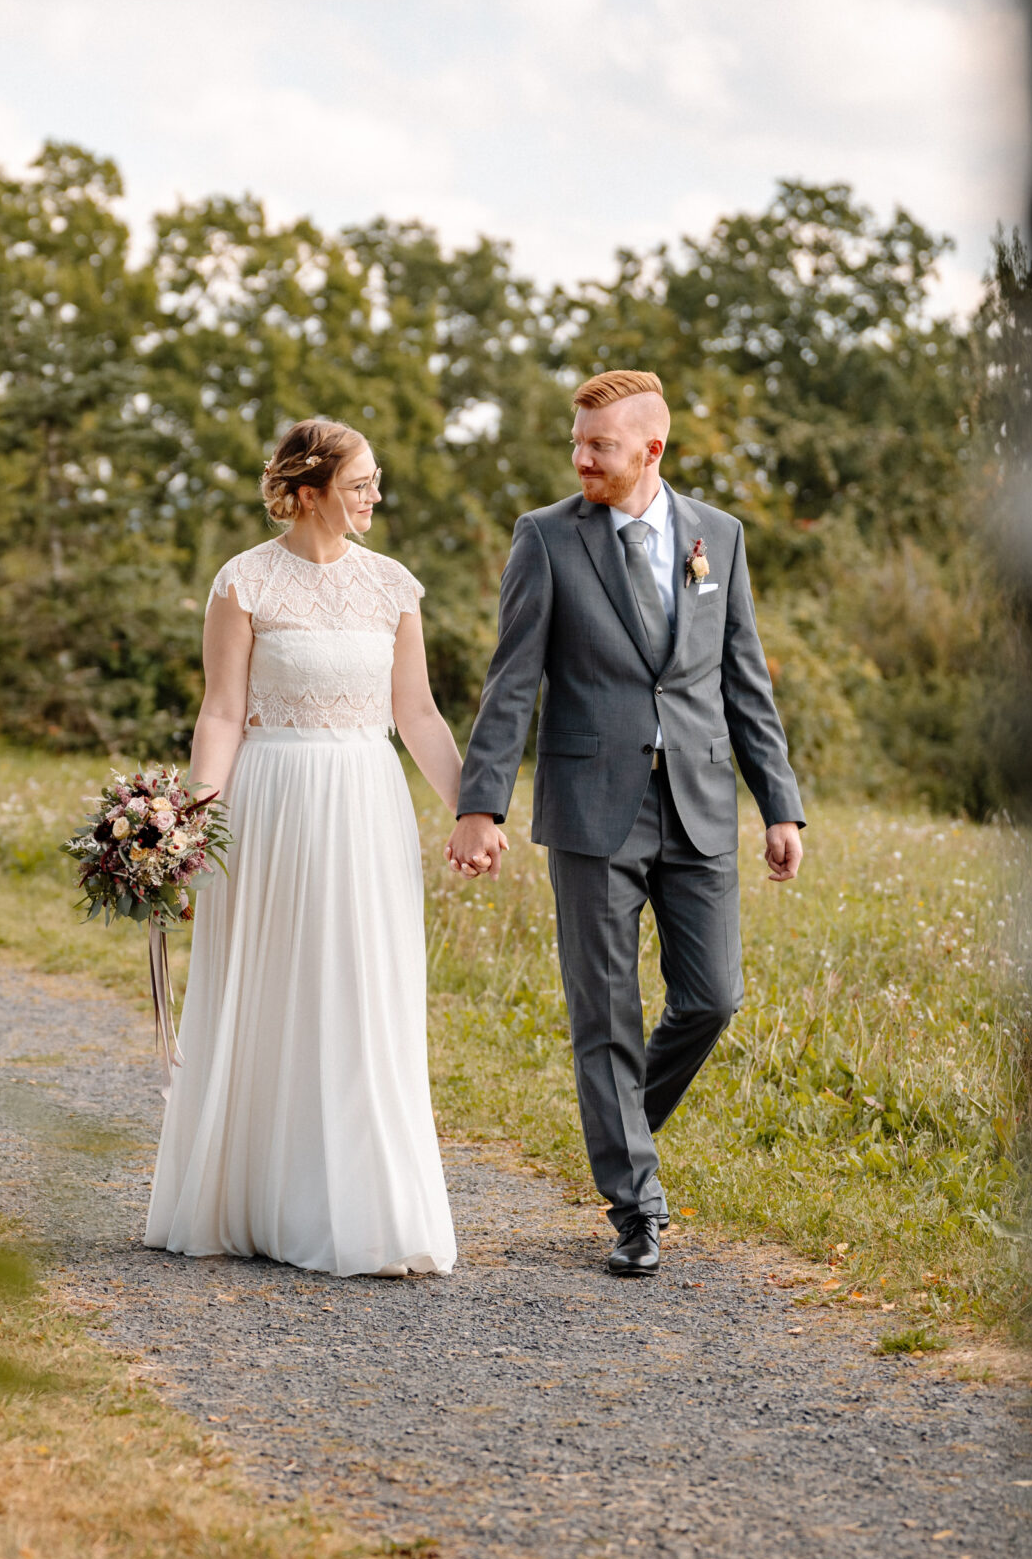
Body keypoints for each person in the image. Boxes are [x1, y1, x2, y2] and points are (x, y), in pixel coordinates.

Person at [448, 370, 805, 1279]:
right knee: (604, 1012)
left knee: (713, 998)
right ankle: (636, 1205)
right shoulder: (547, 537)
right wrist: (480, 803)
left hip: (699, 801)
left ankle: (621, 1126)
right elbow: (512, 681)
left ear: (650, 450)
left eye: (599, 446)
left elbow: (743, 679)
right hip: (589, 807)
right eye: (577, 442)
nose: (581, 458)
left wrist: (781, 806)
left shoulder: (717, 535)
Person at [144, 419, 464, 1277]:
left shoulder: (394, 586)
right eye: (361, 484)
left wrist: (475, 811)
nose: (375, 496)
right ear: (310, 492)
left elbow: (418, 714)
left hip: (366, 799)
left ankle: (364, 1209)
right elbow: (220, 711)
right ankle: (256, 1199)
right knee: (274, 987)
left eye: (376, 481)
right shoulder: (243, 582)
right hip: (272, 803)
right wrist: (190, 824)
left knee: (364, 988)